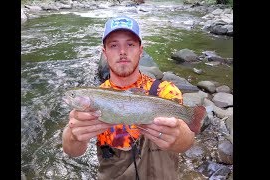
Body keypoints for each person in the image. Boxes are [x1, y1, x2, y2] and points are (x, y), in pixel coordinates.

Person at [62, 15, 195, 180]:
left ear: (141, 50)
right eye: (114, 45)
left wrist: (180, 135)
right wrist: (73, 135)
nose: (122, 52)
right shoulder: (96, 95)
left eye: (130, 44)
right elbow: (72, 152)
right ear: (105, 52)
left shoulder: (165, 91)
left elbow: (187, 142)